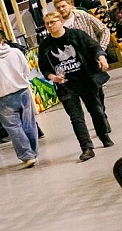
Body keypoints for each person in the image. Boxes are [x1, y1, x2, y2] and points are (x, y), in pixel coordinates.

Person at [38, 10, 112, 161]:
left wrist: (102, 58)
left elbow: (94, 47)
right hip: (66, 86)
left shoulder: (77, 35)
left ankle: (103, 135)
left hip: (87, 80)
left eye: (52, 22)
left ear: (61, 22)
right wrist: (53, 77)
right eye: (47, 24)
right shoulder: (45, 45)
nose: (49, 26)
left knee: (97, 111)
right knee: (76, 117)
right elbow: (44, 68)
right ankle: (86, 147)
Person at [0, 30, 39, 168]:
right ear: (2, 41)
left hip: (3, 97)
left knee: (14, 128)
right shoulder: (16, 52)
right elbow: (26, 70)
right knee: (29, 124)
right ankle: (34, 152)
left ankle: (27, 155)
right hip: (23, 92)